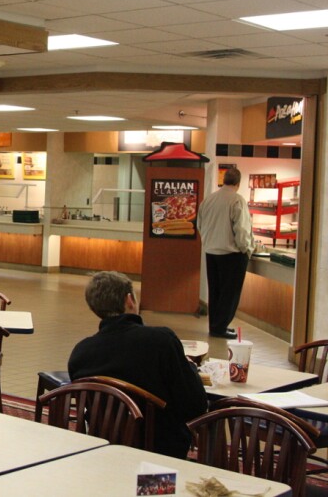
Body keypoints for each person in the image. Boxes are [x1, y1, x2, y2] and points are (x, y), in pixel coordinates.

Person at [68, 271, 208, 459]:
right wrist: (190, 368)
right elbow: (195, 406)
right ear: (129, 300)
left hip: (104, 453)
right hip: (159, 457)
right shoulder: (161, 341)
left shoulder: (81, 353)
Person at [197, 168, 255, 339]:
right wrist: (246, 249)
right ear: (238, 183)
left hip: (211, 251)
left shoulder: (209, 199)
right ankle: (221, 326)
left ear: (223, 180)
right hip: (231, 254)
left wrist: (208, 242)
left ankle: (214, 325)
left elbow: (200, 224)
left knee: (215, 291)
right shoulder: (237, 200)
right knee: (229, 293)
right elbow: (242, 229)